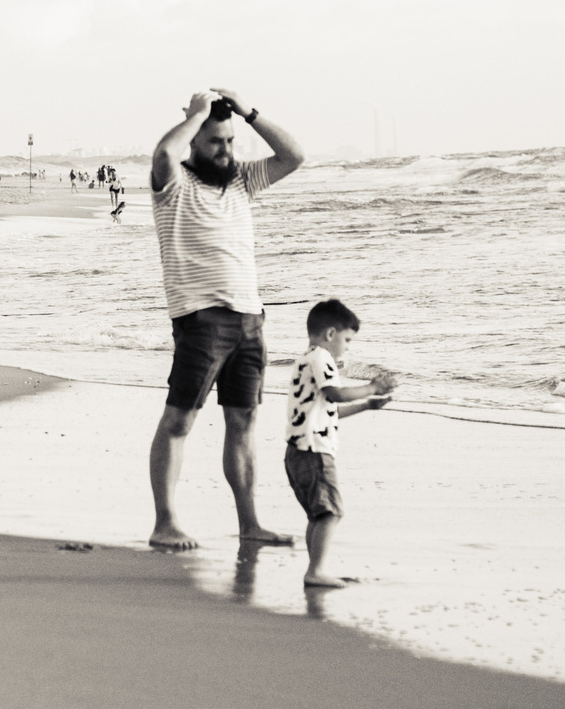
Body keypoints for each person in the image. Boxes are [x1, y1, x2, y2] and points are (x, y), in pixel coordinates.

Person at [146, 88, 305, 550]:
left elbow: (294, 155)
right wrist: (196, 117)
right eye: (216, 141)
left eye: (230, 141)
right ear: (196, 141)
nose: (226, 150)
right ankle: (165, 523)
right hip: (200, 319)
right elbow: (163, 153)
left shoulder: (241, 180)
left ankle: (250, 523)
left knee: (244, 423)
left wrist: (248, 112)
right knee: (179, 421)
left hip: (250, 319)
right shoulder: (173, 183)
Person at [283, 298, 394, 588]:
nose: (348, 347)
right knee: (332, 512)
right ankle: (315, 571)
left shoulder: (304, 361)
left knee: (318, 514)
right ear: (330, 334)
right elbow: (336, 395)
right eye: (347, 340)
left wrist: (367, 405)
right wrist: (372, 387)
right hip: (315, 452)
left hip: (298, 451)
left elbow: (329, 410)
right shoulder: (322, 358)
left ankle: (315, 568)